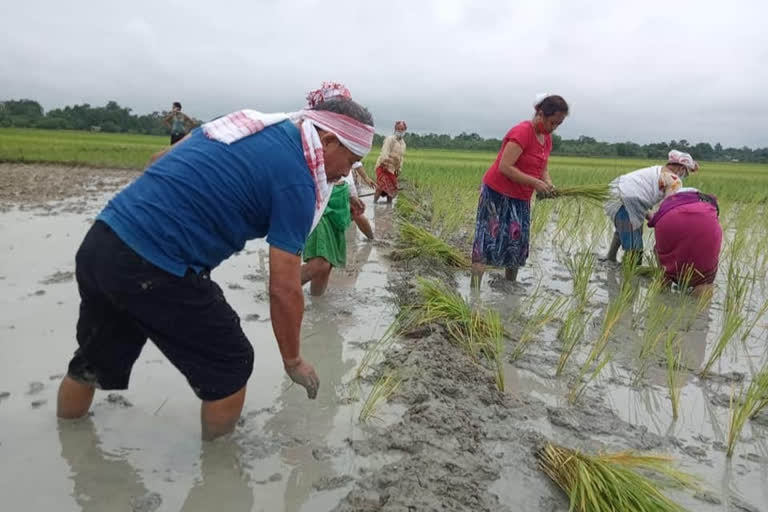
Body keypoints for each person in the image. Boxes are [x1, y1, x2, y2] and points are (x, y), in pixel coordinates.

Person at [56, 83, 375, 440]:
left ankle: (69, 448)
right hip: (157, 268)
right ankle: (221, 471)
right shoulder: (298, 178)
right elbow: (283, 286)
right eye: (349, 161)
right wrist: (293, 361)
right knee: (231, 364)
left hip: (103, 240)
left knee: (92, 362)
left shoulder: (245, 124)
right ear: (328, 140)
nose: (346, 174)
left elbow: (157, 162)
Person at [470, 94, 569, 287]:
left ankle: (509, 289)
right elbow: (505, 167)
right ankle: (474, 295)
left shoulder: (547, 139)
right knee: (485, 242)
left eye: (558, 125)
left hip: (520, 198)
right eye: (552, 122)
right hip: (497, 195)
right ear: (540, 114)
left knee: (515, 244)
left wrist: (547, 183)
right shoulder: (522, 132)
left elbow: (543, 168)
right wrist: (535, 183)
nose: (553, 128)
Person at [603, 150, 698, 264]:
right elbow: (668, 208)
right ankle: (629, 274)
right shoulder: (674, 180)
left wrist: (653, 218)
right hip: (627, 201)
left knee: (625, 229)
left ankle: (610, 259)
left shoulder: (657, 170)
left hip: (614, 195)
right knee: (635, 250)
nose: (684, 176)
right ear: (681, 168)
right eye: (686, 173)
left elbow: (643, 205)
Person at [648, 188, 722, 298]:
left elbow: (655, 220)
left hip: (667, 220)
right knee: (705, 279)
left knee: (660, 256)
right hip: (706, 224)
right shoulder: (707, 201)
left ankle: (663, 285)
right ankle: (700, 312)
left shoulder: (668, 202)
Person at [374, 121, 407, 203]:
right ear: (395, 129)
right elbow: (385, 151)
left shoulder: (403, 144)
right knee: (381, 186)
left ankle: (389, 207)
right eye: (398, 129)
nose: (400, 131)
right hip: (383, 167)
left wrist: (399, 169)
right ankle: (374, 203)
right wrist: (384, 163)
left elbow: (401, 158)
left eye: (402, 129)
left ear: (405, 130)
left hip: (392, 169)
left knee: (392, 189)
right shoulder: (390, 139)